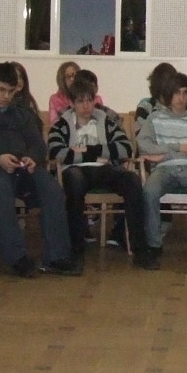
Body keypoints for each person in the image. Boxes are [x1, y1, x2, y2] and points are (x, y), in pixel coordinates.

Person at [0, 62, 71, 278]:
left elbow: (38, 145)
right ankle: (17, 257)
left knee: (52, 189)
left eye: (10, 91)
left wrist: (32, 157)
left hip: (23, 166)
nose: (6, 96)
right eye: (1, 90)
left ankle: (57, 255)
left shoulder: (22, 115)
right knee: (1, 189)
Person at [47, 70, 151, 269]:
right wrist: (98, 153)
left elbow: (125, 147)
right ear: (72, 103)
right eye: (80, 101)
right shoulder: (61, 125)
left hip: (104, 168)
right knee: (74, 182)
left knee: (131, 179)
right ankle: (76, 249)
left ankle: (140, 249)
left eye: (89, 100)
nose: (86, 106)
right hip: (75, 170)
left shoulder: (106, 121)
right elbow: (57, 152)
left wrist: (88, 150)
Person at [137, 72, 187, 261]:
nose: (181, 97)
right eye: (177, 93)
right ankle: (154, 245)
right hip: (163, 168)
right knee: (149, 191)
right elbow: (143, 146)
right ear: (168, 94)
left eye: (185, 92)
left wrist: (161, 154)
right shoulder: (154, 119)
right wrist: (179, 147)